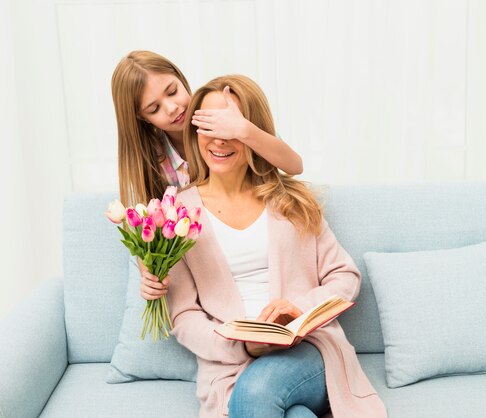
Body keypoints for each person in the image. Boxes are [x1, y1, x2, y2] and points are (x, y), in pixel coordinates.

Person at [140, 74, 387, 417]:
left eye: (231, 128)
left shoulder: (291, 202)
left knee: (256, 391)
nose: (219, 140)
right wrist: (241, 346)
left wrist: (298, 310)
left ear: (250, 132)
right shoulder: (178, 214)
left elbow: (344, 276)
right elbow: (183, 315)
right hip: (231, 368)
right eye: (209, 126)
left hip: (310, 352)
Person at [111, 50, 303, 208]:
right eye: (154, 109)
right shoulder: (153, 161)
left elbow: (294, 165)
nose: (172, 108)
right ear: (141, 117)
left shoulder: (221, 113)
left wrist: (243, 130)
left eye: (173, 91)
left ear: (180, 78)